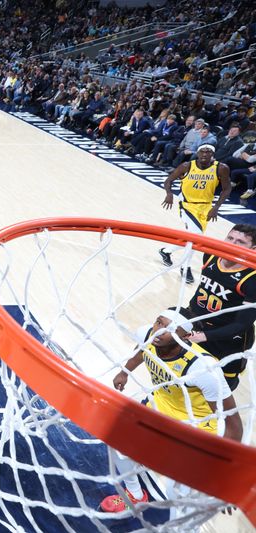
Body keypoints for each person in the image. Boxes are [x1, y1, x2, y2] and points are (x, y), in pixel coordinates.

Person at [103, 309, 242, 513]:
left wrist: (225, 477)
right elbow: (140, 352)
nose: (159, 331)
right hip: (160, 409)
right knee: (118, 442)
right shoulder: (148, 334)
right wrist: (124, 372)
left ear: (185, 336)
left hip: (196, 427)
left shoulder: (203, 368)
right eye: (159, 323)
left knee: (178, 493)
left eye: (169, 329)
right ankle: (135, 494)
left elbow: (234, 425)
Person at [184, 224, 256, 391]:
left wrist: (204, 336)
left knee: (221, 384)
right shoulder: (210, 255)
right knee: (189, 373)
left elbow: (241, 325)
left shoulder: (252, 278)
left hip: (229, 338)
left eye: (240, 241)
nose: (232, 243)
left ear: (253, 249)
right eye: (230, 238)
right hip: (197, 323)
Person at [159, 145, 231, 284]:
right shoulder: (186, 166)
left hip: (205, 207)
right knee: (196, 238)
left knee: (193, 238)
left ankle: (166, 251)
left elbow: (227, 189)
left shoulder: (221, 168)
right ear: (197, 153)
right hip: (187, 205)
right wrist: (169, 194)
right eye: (202, 151)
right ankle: (185, 267)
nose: (205, 153)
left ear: (213, 154)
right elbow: (168, 181)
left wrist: (216, 207)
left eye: (208, 151)